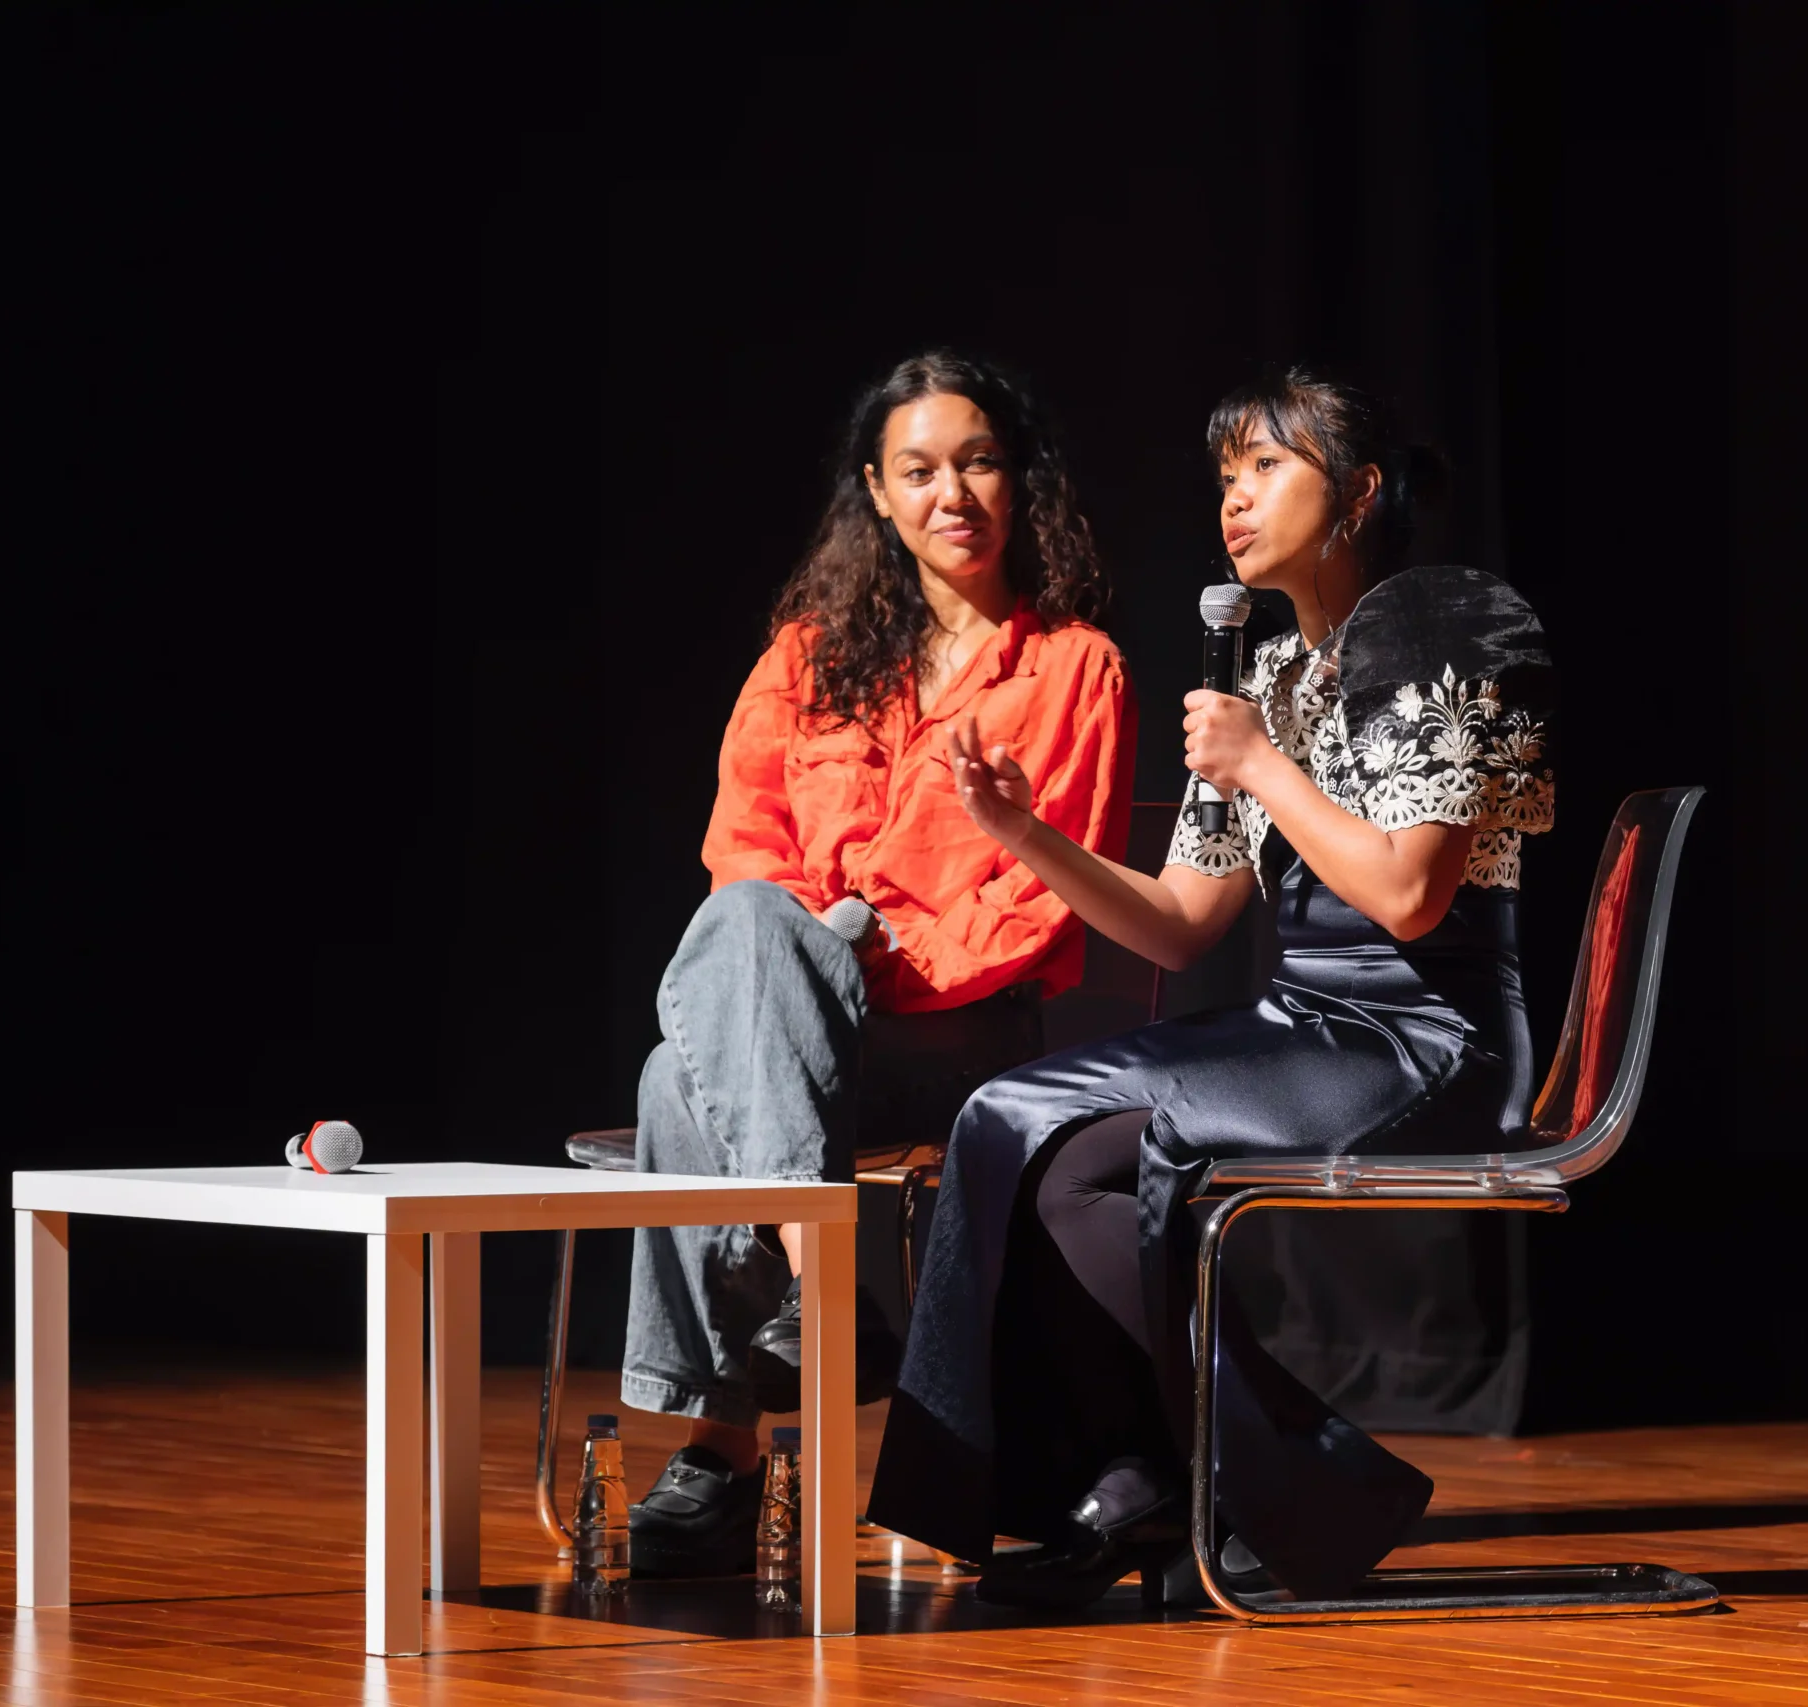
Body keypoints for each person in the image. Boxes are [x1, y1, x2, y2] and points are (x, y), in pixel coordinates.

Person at [864, 368, 1555, 1608]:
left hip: (1424, 1039)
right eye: (1225, 477)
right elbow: (1181, 925)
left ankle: (1297, 1489)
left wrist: (1261, 763)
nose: (1234, 500)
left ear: (1358, 492)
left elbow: (1410, 897)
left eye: (1266, 469)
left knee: (1056, 1141)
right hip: (1303, 1028)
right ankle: (1140, 1478)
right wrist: (1022, 834)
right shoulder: (1275, 673)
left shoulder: (1451, 620)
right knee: (1014, 1125)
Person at [621, 351, 1135, 1577]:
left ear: (1020, 482)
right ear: (878, 491)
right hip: (800, 1010)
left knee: (669, 1078)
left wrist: (860, 967)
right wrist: (813, 963)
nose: (951, 492)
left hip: (957, 1040)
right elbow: (744, 847)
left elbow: (1036, 913)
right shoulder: (806, 656)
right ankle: (824, 1282)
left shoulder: (1074, 668)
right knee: (749, 927)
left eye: (978, 462)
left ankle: (725, 1446)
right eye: (918, 471)